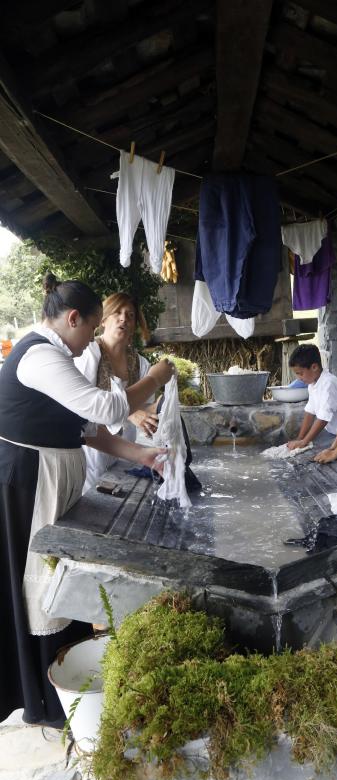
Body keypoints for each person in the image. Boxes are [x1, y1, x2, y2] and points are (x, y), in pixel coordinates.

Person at [0, 273, 174, 727]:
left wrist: (142, 454)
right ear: (72, 318)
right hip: (31, 481)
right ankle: (46, 699)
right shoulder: (39, 356)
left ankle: (69, 682)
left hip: (53, 476)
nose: (88, 343)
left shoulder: (56, 354)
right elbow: (106, 409)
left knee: (62, 575)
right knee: (41, 581)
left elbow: (84, 430)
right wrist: (154, 378)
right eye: (90, 329)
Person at [75, 292, 160, 492]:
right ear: (103, 319)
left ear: (135, 325)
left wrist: (163, 405)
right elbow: (82, 407)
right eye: (117, 313)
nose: (123, 319)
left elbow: (148, 407)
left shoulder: (140, 363)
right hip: (91, 450)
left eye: (130, 316)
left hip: (125, 451)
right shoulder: (89, 353)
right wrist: (131, 412)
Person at [286, 344, 337, 451]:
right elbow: (310, 412)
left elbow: (323, 418)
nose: (298, 378)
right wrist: (300, 438)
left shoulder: (329, 383)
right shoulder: (312, 384)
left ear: (314, 367)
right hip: (334, 433)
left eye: (300, 373)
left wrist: (304, 442)